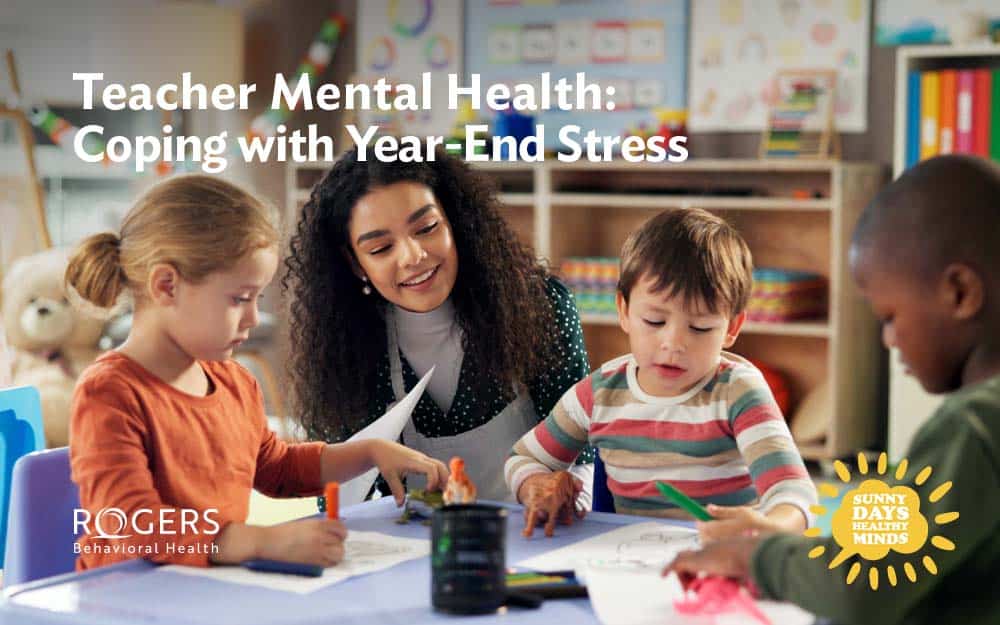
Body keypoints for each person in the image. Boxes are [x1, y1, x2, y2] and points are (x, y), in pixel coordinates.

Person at [666, 155, 1000, 625]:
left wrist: (752, 557)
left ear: (960, 293)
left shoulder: (973, 426)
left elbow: (861, 585)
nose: (888, 339)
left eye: (889, 317)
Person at [67, 174, 447, 571]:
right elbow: (130, 522)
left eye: (256, 298)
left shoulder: (233, 382)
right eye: (239, 298)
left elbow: (277, 469)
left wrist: (369, 452)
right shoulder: (109, 391)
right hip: (125, 598)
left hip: (207, 594)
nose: (252, 317)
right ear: (166, 286)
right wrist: (259, 540)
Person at [284, 148, 593, 502]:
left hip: (538, 535)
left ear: (455, 221)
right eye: (382, 248)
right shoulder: (344, 350)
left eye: (427, 228)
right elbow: (336, 496)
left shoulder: (541, 308)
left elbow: (583, 454)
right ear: (355, 265)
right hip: (414, 546)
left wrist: (566, 500)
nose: (413, 256)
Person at [506, 208, 816, 539]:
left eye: (700, 327)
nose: (673, 343)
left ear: (732, 328)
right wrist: (535, 485)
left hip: (726, 560)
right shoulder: (598, 394)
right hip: (632, 564)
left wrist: (767, 527)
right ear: (624, 311)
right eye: (654, 321)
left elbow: (795, 494)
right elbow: (521, 458)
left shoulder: (738, 390)